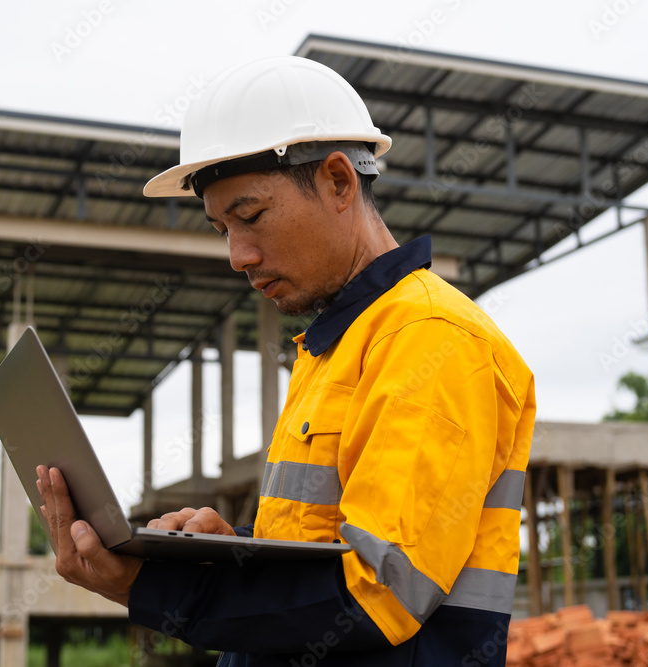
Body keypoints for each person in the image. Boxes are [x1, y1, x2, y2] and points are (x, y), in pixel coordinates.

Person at [36, 55, 535, 666]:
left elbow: (380, 589)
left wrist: (150, 588)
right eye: (222, 227)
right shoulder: (336, 346)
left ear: (338, 182)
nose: (237, 255)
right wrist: (235, 551)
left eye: (250, 216)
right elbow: (324, 554)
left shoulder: (431, 337)